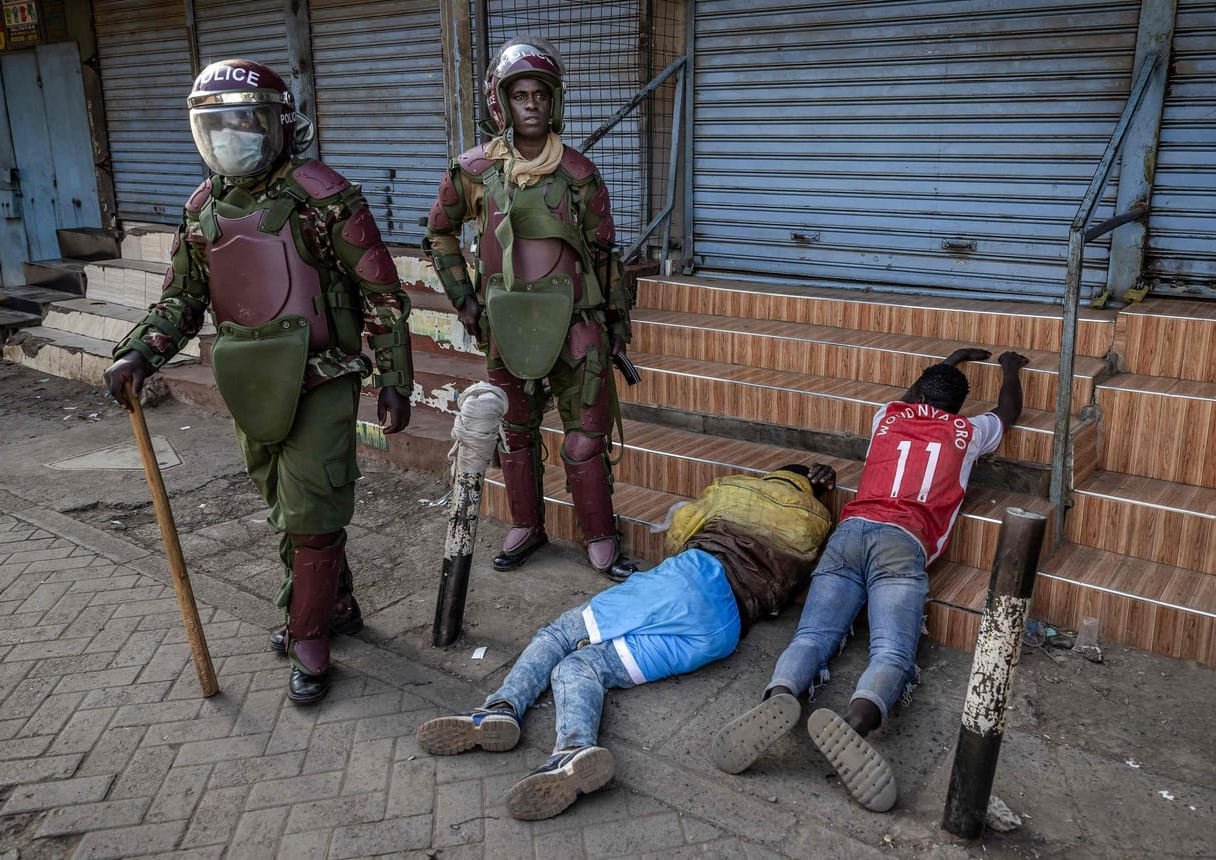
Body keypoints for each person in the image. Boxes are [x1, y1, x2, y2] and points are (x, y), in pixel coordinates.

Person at [103, 59, 414, 705]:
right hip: (248, 381)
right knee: (291, 509)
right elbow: (182, 301)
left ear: (281, 125)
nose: (231, 137)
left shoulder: (324, 195)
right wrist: (138, 355)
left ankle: (307, 633)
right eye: (215, 127)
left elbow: (381, 294)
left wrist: (394, 379)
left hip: (321, 375)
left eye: (244, 123)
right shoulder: (202, 209)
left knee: (308, 510)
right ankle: (339, 604)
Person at [415, 463, 838, 820]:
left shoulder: (735, 488)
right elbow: (795, 587)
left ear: (773, 477)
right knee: (580, 666)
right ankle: (573, 751)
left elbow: (679, 534)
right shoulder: (816, 522)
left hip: (694, 578)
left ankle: (501, 708)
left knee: (561, 633)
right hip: (724, 631)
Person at [711, 348, 1030, 813]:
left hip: (849, 533)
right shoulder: (968, 432)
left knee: (813, 635)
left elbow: (911, 395)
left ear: (917, 393)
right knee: (893, 652)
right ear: (959, 410)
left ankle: (780, 695)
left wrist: (955, 358)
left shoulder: (887, 416)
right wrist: (1009, 368)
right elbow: (1008, 412)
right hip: (902, 545)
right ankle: (855, 725)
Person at [423, 36, 636, 581]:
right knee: (516, 431)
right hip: (507, 324)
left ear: (555, 101)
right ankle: (527, 526)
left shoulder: (580, 174)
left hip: (576, 322)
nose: (532, 103)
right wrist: (464, 301)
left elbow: (608, 257)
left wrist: (616, 326)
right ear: (501, 102)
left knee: (586, 438)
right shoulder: (472, 171)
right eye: (520, 94)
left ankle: (600, 534)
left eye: (541, 94)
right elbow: (439, 234)